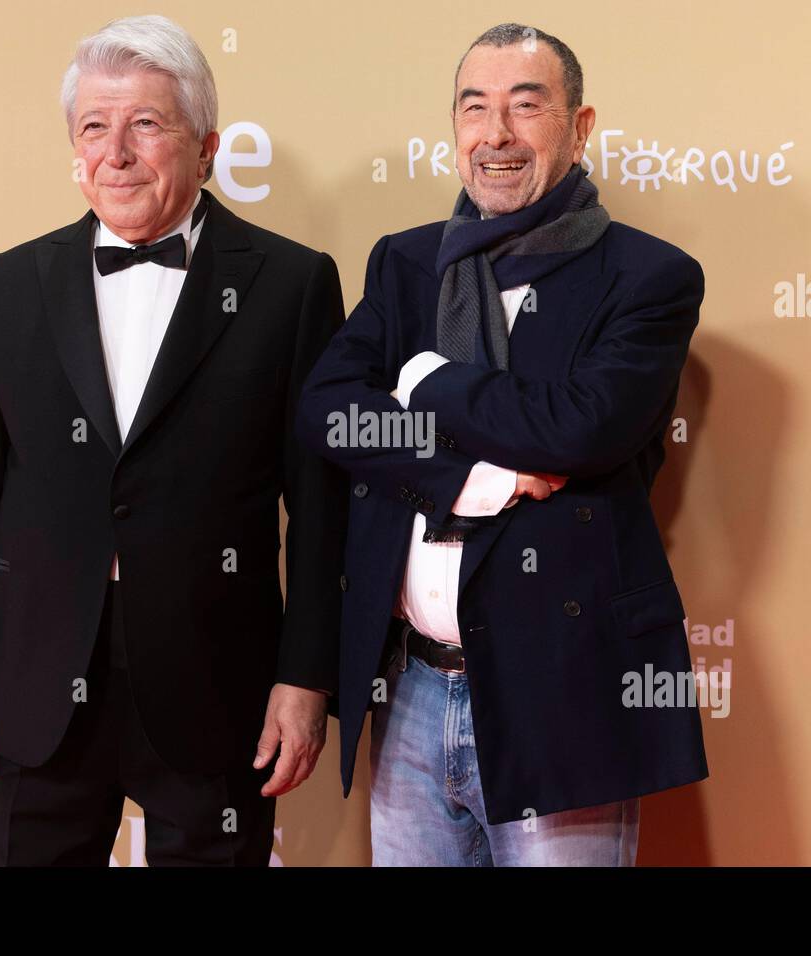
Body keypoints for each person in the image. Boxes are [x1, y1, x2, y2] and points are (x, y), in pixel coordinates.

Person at [0, 14, 347, 866]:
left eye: (146, 125)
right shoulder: (14, 279)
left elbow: (324, 504)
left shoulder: (293, 284)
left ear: (207, 146)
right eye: (93, 128)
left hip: (216, 687)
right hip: (35, 693)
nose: (115, 152)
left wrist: (305, 680)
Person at [297, 22, 708, 866]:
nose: (496, 135)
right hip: (410, 689)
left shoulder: (649, 277)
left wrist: (423, 378)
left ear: (580, 125)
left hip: (567, 690)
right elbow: (332, 411)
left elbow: (579, 426)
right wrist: (468, 478)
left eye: (526, 108)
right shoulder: (407, 264)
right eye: (474, 108)